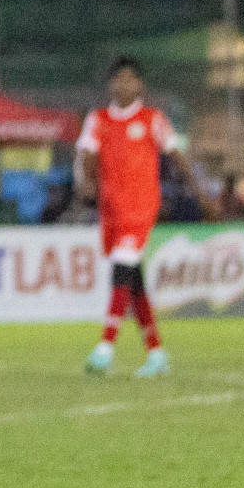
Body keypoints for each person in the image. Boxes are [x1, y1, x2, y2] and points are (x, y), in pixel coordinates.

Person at [76, 56, 202, 378]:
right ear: (110, 84)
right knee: (133, 282)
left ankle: (105, 346)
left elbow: (176, 155)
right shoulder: (97, 119)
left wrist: (201, 194)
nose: (124, 84)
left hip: (142, 207)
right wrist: (86, 182)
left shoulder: (152, 119)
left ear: (140, 84)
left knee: (122, 267)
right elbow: (85, 156)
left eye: (130, 79)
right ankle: (156, 353)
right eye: (118, 79)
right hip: (112, 209)